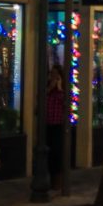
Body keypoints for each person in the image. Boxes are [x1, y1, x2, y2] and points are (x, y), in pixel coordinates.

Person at [46, 63, 65, 191]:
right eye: (52, 74)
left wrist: (59, 88)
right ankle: (51, 180)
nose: (53, 77)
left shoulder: (62, 90)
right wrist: (50, 87)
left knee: (57, 153)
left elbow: (66, 104)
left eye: (56, 74)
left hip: (58, 125)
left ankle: (57, 182)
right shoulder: (47, 88)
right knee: (49, 153)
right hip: (48, 124)